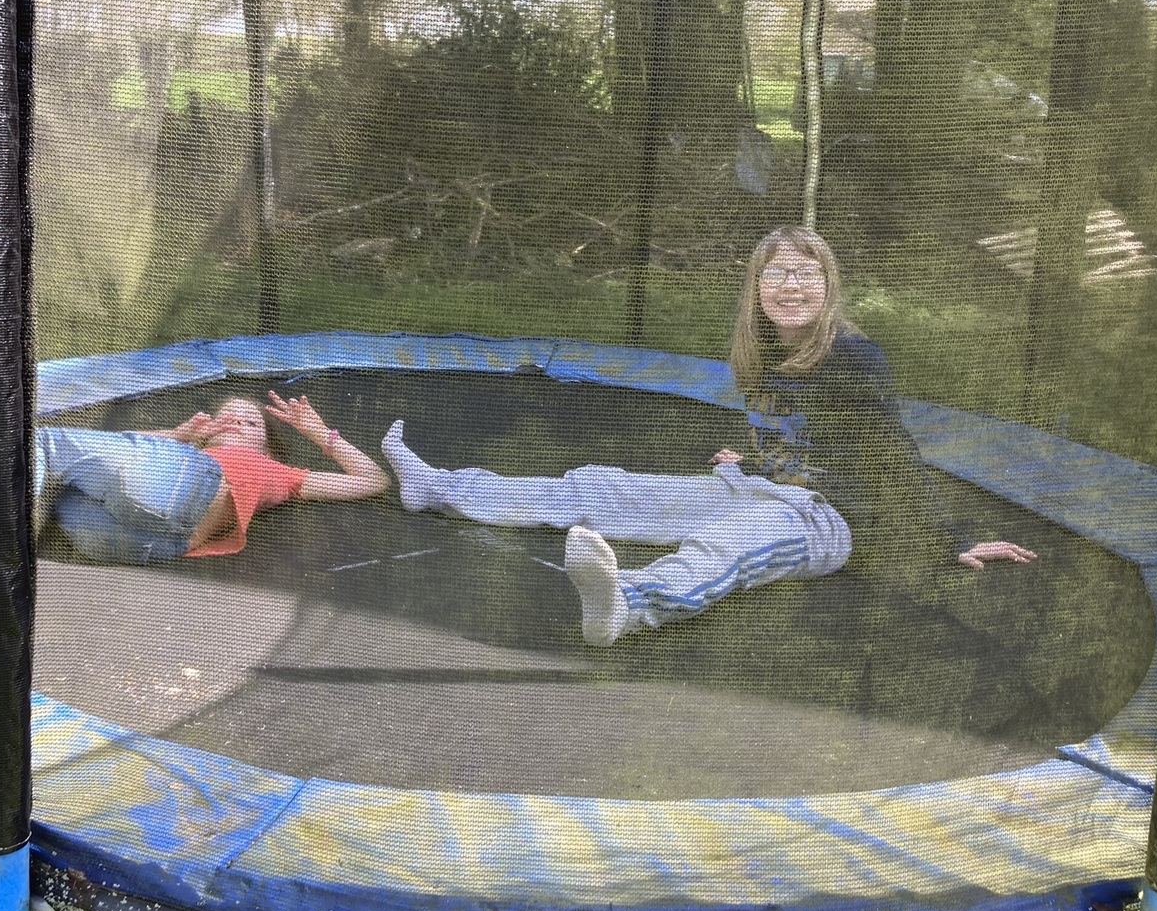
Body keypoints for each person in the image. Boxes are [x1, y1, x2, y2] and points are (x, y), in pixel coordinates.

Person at [379, 226, 1035, 646]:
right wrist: (753, 461)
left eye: (806, 273)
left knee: (727, 547)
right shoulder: (761, 351)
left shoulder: (856, 358)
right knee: (598, 488)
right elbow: (800, 434)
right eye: (776, 274)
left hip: (824, 517)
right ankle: (436, 487)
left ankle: (627, 603)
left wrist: (951, 539)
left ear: (829, 286)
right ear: (757, 288)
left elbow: (892, 453)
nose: (791, 286)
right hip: (757, 486)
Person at [0, 391, 389, 565]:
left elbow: (374, 481)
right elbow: (110, 452)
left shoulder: (282, 473)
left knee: (46, 443)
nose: (238, 422)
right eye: (229, 416)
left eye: (250, 421)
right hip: (154, 539)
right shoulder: (184, 451)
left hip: (191, 498)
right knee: (63, 492)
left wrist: (320, 434)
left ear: (268, 443)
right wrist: (177, 436)